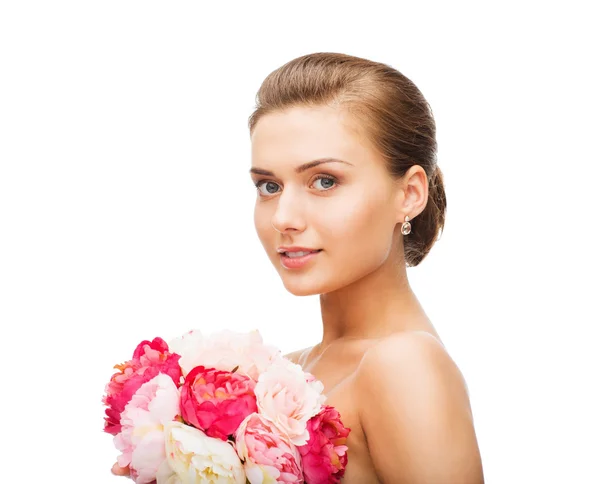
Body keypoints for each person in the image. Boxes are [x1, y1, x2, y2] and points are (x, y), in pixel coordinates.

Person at [112, 52, 484, 483]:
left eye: (324, 181)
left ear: (410, 194)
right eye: (268, 186)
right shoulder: (287, 374)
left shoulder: (405, 365)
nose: (283, 217)